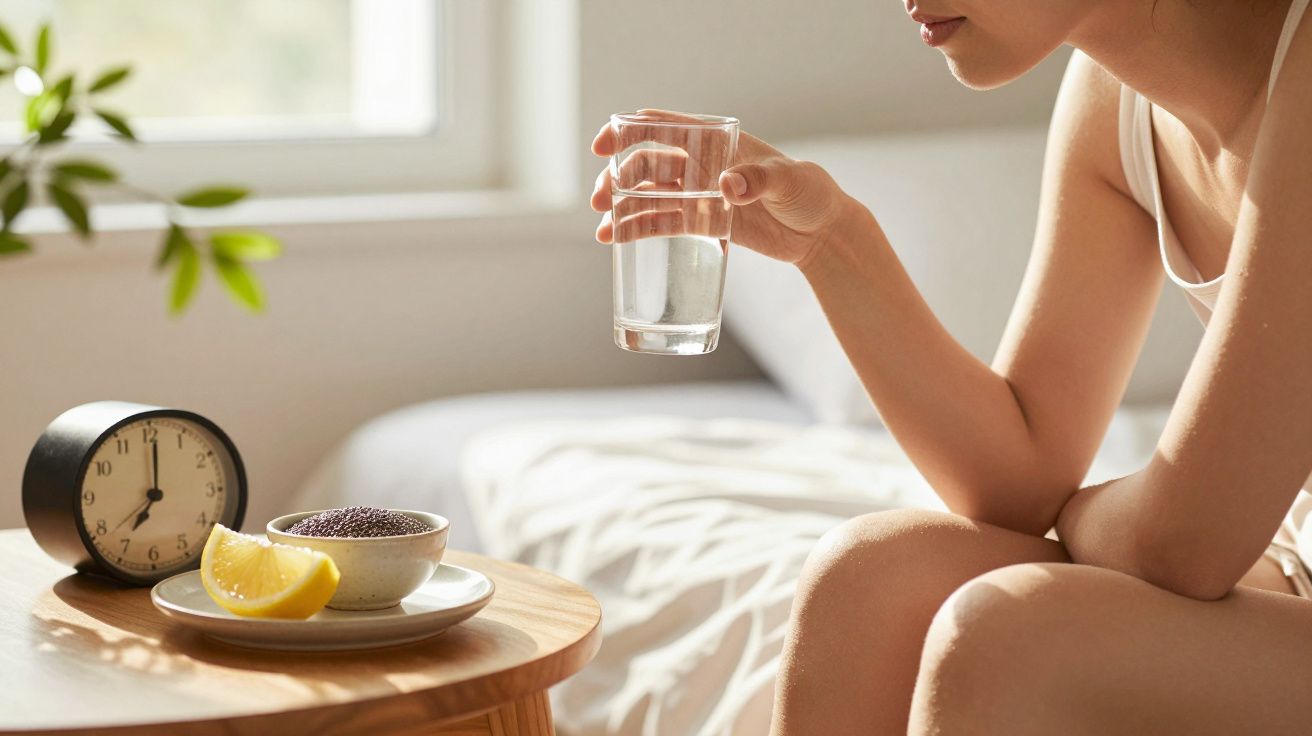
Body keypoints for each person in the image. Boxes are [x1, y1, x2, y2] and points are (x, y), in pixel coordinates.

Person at [590, 0, 1312, 732]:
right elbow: (1024, 479)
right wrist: (830, 241)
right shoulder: (1114, 100)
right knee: (871, 579)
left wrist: (1093, 513)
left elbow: (1183, 546)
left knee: (1006, 634)